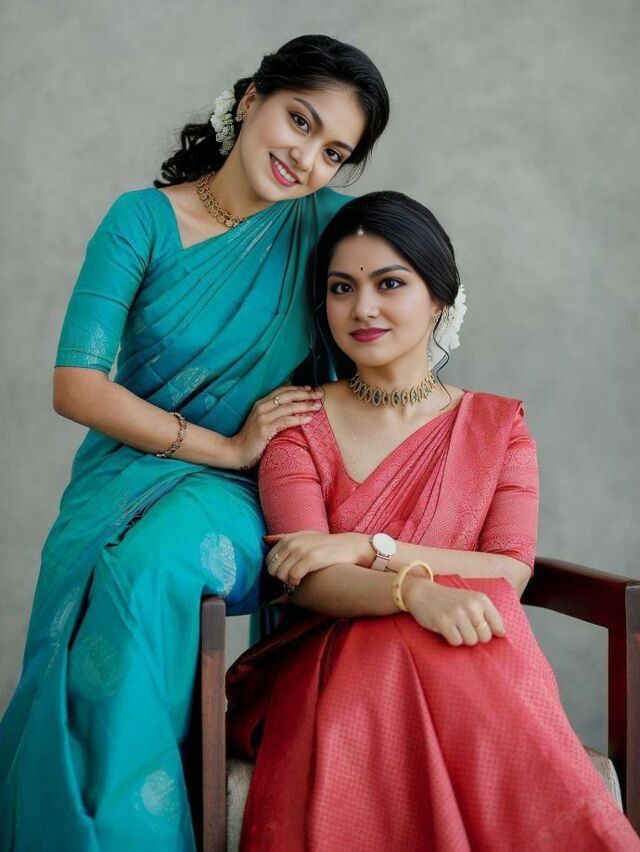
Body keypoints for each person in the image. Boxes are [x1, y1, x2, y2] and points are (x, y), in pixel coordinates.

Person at [0, 36, 390, 850]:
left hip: (250, 494)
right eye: (299, 121)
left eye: (333, 152)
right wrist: (225, 444)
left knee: (148, 571)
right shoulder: (140, 220)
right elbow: (76, 385)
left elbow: (404, 313)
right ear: (250, 99)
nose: (306, 159)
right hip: (130, 475)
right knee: (108, 578)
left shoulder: (327, 231)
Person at [226, 191, 640, 851]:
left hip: (468, 643)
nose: (363, 308)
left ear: (440, 299)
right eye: (341, 288)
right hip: (332, 652)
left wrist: (368, 546)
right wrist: (414, 594)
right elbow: (310, 579)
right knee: (413, 641)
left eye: (390, 283)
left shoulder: (498, 427)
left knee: (468, 635)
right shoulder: (296, 422)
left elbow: (509, 571)